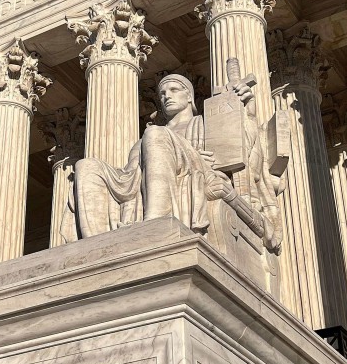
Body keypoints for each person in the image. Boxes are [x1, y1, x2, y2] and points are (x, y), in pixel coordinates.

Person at [69, 72, 282, 249]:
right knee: (86, 166)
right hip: (140, 184)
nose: (166, 96)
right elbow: (131, 177)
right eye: (162, 93)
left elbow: (246, 150)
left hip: (198, 175)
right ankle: (95, 246)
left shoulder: (204, 123)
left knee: (156, 135)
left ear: (189, 96)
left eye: (173, 90)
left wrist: (247, 111)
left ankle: (155, 225)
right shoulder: (148, 137)